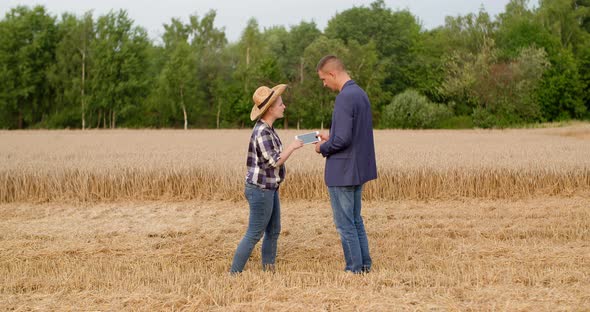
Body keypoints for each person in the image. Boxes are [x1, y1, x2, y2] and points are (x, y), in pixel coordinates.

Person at [230, 84, 304, 274]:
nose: (284, 106)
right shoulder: (263, 131)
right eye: (280, 103)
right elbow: (275, 161)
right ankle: (233, 274)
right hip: (260, 190)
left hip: (269, 188)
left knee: (274, 230)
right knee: (254, 233)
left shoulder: (268, 129)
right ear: (270, 108)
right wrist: (293, 146)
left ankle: (268, 271)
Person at [314, 55, 378, 274]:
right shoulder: (360, 94)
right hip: (357, 170)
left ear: (332, 74)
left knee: (344, 224)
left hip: (342, 172)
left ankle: (353, 269)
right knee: (356, 220)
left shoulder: (344, 98)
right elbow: (352, 134)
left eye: (323, 79)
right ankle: (365, 265)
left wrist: (322, 147)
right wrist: (329, 135)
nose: (324, 84)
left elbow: (342, 140)